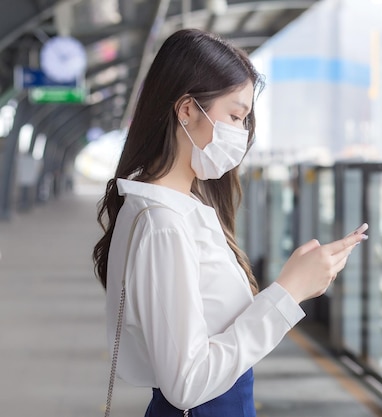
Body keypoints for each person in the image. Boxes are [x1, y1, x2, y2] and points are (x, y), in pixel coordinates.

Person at [92, 28, 367, 417]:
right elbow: (187, 384)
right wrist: (288, 292)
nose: (240, 133)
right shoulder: (164, 224)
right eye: (235, 116)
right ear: (186, 109)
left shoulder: (176, 208)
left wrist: (296, 281)